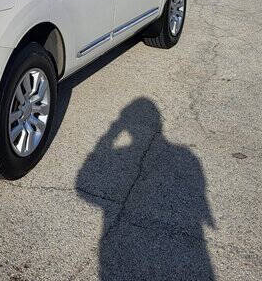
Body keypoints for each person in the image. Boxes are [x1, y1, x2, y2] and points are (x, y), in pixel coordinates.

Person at [76, 98, 215, 280]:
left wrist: (110, 134)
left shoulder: (120, 153)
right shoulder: (187, 156)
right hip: (197, 252)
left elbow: (83, 182)